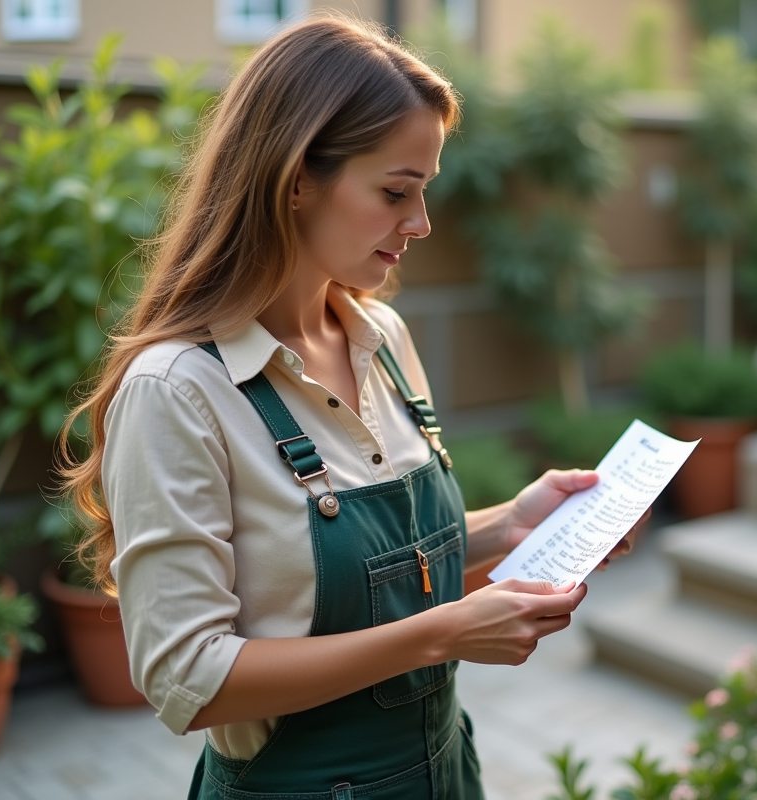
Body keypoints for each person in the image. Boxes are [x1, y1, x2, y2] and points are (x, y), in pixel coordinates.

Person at [60, 12, 643, 800]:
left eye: (424, 191)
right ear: (297, 178)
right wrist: (439, 635)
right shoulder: (178, 392)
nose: (422, 223)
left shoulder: (382, 337)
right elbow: (188, 679)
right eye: (395, 191)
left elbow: (346, 569)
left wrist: (514, 524)